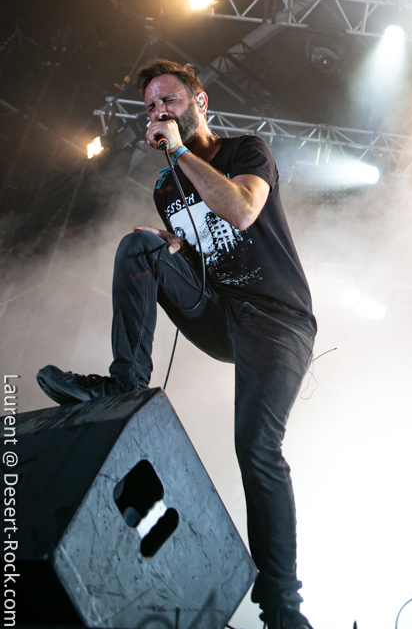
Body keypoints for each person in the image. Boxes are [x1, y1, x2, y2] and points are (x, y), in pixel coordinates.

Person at [37, 59, 317, 629]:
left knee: (256, 447)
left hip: (276, 318)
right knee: (138, 246)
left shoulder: (245, 151)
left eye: (169, 100)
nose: (159, 111)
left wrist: (183, 153)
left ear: (200, 102)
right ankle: (123, 384)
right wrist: (171, 249)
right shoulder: (166, 188)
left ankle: (282, 609)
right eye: (150, 107)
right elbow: (199, 256)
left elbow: (241, 210)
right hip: (219, 315)